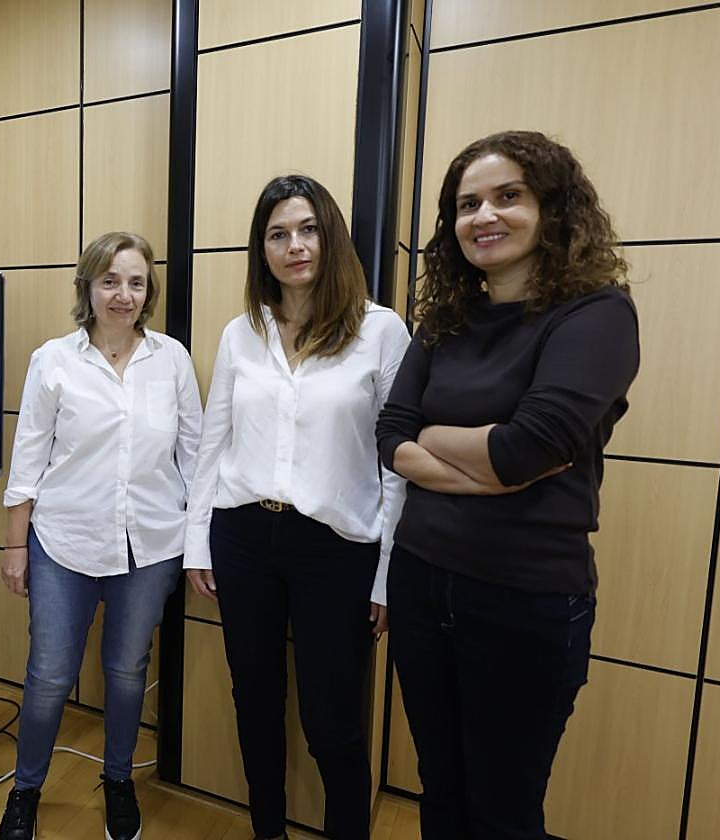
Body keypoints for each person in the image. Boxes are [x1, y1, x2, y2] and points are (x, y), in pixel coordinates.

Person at [375, 130, 640, 840]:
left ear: (552, 208)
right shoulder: (442, 322)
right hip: (423, 582)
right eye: (467, 204)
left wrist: (441, 442)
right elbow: (391, 437)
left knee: (504, 807)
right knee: (442, 788)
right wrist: (481, 461)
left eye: (507, 196)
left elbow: (532, 448)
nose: (484, 216)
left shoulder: (596, 315)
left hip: (526, 599)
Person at [185, 174, 410, 840]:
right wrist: (199, 540)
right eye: (278, 234)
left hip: (337, 546)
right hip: (244, 535)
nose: (295, 245)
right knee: (253, 701)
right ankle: (268, 831)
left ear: (330, 234)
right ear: (262, 250)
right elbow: (212, 442)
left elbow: (395, 463)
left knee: (330, 717)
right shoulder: (242, 332)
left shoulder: (380, 331)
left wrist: (386, 574)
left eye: (307, 228)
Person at [0, 231, 202, 840]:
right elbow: (28, 458)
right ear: (87, 286)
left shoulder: (172, 359)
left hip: (151, 544)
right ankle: (25, 791)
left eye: (136, 282)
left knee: (125, 670)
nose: (123, 294)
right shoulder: (54, 360)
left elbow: (194, 456)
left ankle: (117, 781)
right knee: (50, 676)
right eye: (110, 280)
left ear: (149, 290)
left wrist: (202, 543)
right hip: (64, 541)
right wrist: (14, 545)